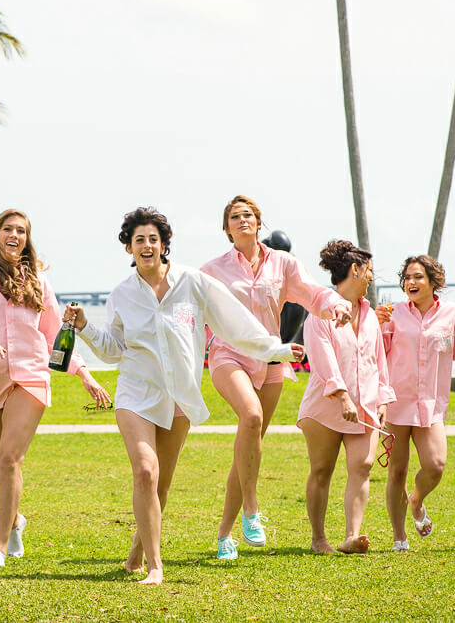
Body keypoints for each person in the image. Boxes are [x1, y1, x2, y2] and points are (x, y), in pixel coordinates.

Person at [63, 207, 304, 585]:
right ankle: (155, 567)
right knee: (145, 471)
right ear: (129, 248)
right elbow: (113, 350)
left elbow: (234, 323)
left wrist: (277, 350)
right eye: (138, 239)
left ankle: (135, 555)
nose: (146, 245)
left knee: (160, 484)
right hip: (135, 393)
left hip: (178, 397)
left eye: (153, 239)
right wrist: (85, 327)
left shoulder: (192, 282)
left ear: (164, 245)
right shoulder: (122, 294)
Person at [0, 208, 111, 567]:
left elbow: (54, 335)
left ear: (26, 239)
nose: (14, 235)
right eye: (8, 229)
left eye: (21, 231)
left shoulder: (38, 283)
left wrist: (84, 373)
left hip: (31, 377)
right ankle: (15, 519)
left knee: (9, 459)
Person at [200, 195, 351, 559]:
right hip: (229, 354)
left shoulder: (282, 264)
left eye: (248, 215)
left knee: (248, 447)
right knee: (250, 417)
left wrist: (336, 306)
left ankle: (224, 535)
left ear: (259, 222)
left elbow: (311, 293)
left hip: (270, 358)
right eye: (234, 217)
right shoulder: (212, 270)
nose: (242, 220)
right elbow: (190, 311)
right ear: (226, 228)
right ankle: (251, 510)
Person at [375, 254, 455, 552]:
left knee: (435, 465)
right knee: (396, 471)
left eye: (418, 277)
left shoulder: (454, 315)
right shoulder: (392, 314)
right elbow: (374, 355)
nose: (411, 283)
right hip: (395, 403)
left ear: (433, 281)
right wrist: (375, 324)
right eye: (407, 278)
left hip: (431, 406)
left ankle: (416, 500)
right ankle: (399, 537)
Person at [296, 240, 394, 555]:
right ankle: (318, 539)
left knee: (363, 465)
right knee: (322, 470)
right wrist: (342, 397)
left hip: (365, 405)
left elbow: (378, 361)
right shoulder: (319, 313)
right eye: (369, 272)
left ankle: (353, 536)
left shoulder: (368, 316)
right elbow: (322, 360)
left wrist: (382, 400)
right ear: (355, 270)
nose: (371, 278)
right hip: (325, 407)